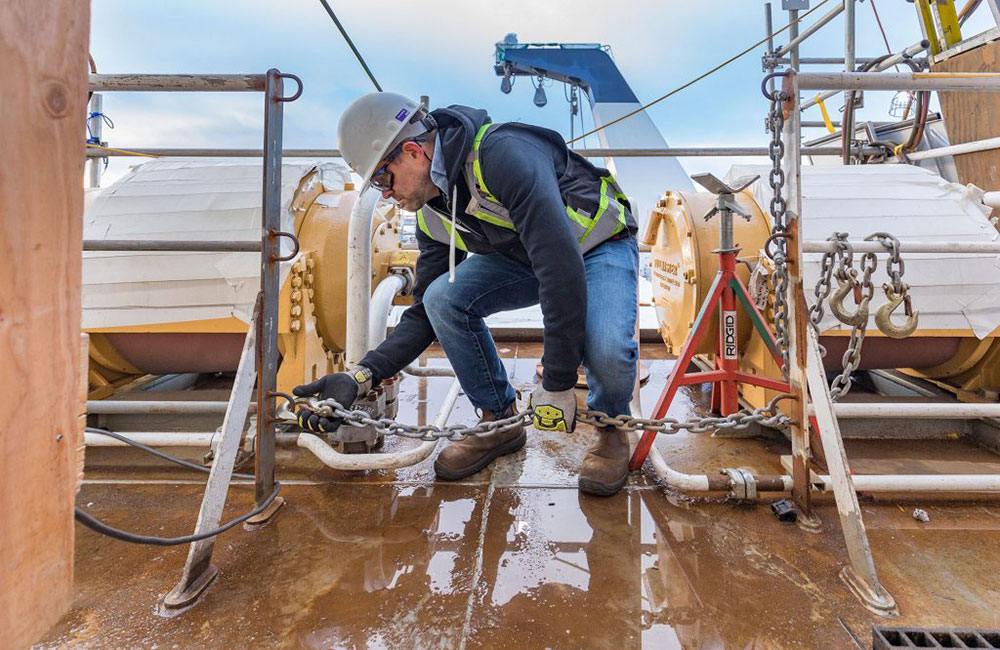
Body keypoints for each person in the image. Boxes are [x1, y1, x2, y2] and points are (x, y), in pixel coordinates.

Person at [294, 92, 638, 496]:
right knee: (443, 298)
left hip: (597, 242)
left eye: (382, 179)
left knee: (607, 350)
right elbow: (425, 311)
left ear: (412, 152)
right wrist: (362, 374)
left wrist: (558, 382)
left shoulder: (502, 157)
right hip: (527, 255)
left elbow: (560, 271)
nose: (385, 194)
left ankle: (612, 429)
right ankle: (499, 420)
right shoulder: (432, 211)